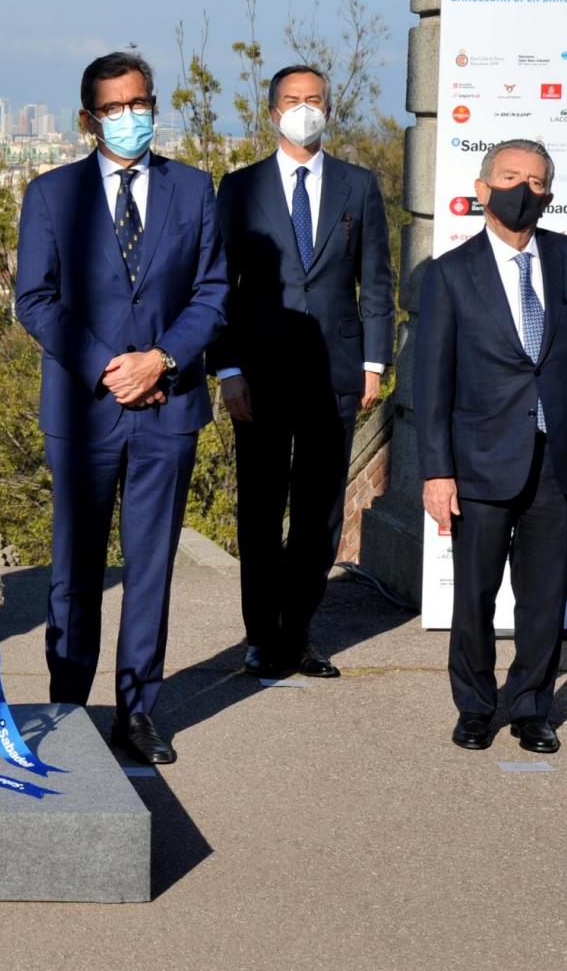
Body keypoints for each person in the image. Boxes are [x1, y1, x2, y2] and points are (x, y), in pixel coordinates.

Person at [14, 51, 227, 766]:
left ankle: (137, 713)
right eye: (114, 108)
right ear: (87, 119)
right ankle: (67, 706)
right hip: (84, 412)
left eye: (140, 103)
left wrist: (161, 359)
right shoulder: (51, 195)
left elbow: (213, 291)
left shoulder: (194, 189)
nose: (131, 118)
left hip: (169, 408)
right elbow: (36, 299)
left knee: (151, 568)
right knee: (75, 570)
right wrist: (110, 369)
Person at [416, 139, 567, 754]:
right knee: (474, 595)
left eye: (535, 181)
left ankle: (532, 706)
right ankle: (475, 707)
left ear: (548, 195)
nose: (521, 190)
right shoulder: (449, 274)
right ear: (481, 189)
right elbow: (432, 382)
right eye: (509, 176)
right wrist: (436, 471)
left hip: (559, 461)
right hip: (478, 464)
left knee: (545, 597)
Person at [212, 66, 395, 680]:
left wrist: (374, 362)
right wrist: (227, 368)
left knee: (319, 511)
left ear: (327, 111)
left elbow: (376, 280)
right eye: (293, 100)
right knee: (261, 510)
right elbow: (219, 286)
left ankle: (300, 634)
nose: (304, 109)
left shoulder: (358, 185)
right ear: (272, 113)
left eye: (314, 100)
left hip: (336, 373)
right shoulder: (238, 189)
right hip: (258, 375)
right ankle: (262, 637)